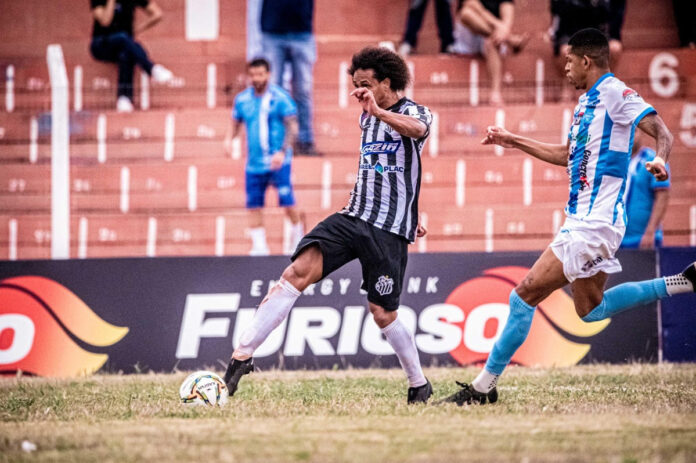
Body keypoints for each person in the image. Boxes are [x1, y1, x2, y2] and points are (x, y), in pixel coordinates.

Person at [442, 28, 696, 406]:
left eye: (569, 62)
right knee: (590, 311)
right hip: (586, 221)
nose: (565, 69)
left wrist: (659, 157)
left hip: (593, 223)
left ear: (586, 61)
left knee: (524, 294)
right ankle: (683, 282)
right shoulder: (585, 104)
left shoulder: (614, 92)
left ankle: (483, 387)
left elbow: (662, 131)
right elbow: (566, 155)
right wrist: (513, 140)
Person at [223, 46, 434, 404]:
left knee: (383, 313)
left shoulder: (412, 111)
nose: (359, 93)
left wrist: (379, 112)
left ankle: (418, 383)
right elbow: (382, 170)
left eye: (366, 84)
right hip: (353, 216)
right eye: (355, 86)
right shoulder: (366, 117)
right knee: (295, 273)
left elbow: (417, 131)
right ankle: (240, 358)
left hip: (386, 230)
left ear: (387, 81)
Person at [224, 58, 304, 256]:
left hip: (278, 161)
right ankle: (259, 247)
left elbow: (293, 127)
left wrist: (282, 152)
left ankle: (298, 235)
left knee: (287, 202)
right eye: (253, 75)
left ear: (268, 74)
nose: (257, 78)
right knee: (253, 205)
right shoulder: (242, 100)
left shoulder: (280, 98)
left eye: (260, 74)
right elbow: (235, 122)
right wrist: (228, 139)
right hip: (254, 164)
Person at [90, 0, 173, 112]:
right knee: (123, 38)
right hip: (102, 44)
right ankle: (151, 69)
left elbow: (157, 14)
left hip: (124, 45)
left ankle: (124, 98)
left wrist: (137, 29)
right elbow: (105, 21)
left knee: (127, 52)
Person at [260, 0, 320, 156]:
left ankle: (305, 141)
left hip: (302, 32)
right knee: (273, 90)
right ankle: (274, 143)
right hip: (273, 30)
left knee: (303, 90)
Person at [454, 0, 528, 105]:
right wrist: (497, 24)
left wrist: (504, 30)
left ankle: (495, 93)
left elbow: (507, 16)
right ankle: (510, 41)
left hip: (495, 36)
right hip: (470, 33)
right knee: (466, 14)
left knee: (492, 41)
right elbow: (470, 5)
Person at [620, 130, 671, 249]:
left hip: (643, 239)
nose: (631, 135)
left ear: (642, 132)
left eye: (635, 131)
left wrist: (650, 231)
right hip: (617, 239)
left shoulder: (653, 160)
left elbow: (662, 196)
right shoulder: (617, 162)